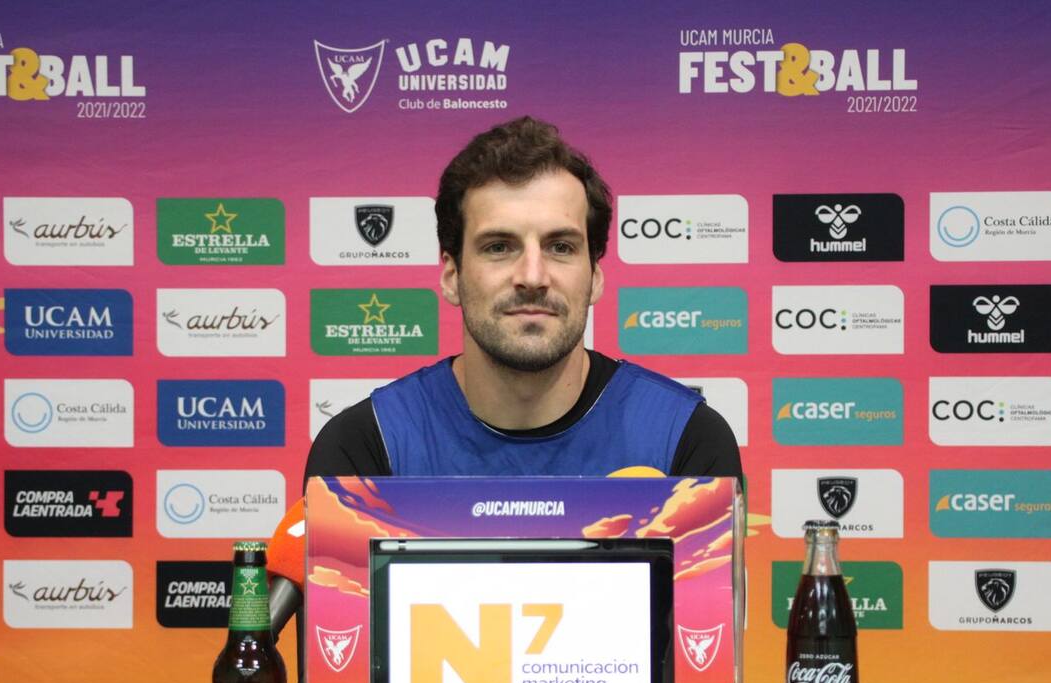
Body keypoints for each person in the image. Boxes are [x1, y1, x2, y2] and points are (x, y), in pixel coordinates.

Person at [304, 116, 742, 482]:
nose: (532, 276)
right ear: (452, 275)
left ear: (595, 277)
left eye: (561, 247)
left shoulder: (685, 441)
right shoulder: (367, 448)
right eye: (499, 247)